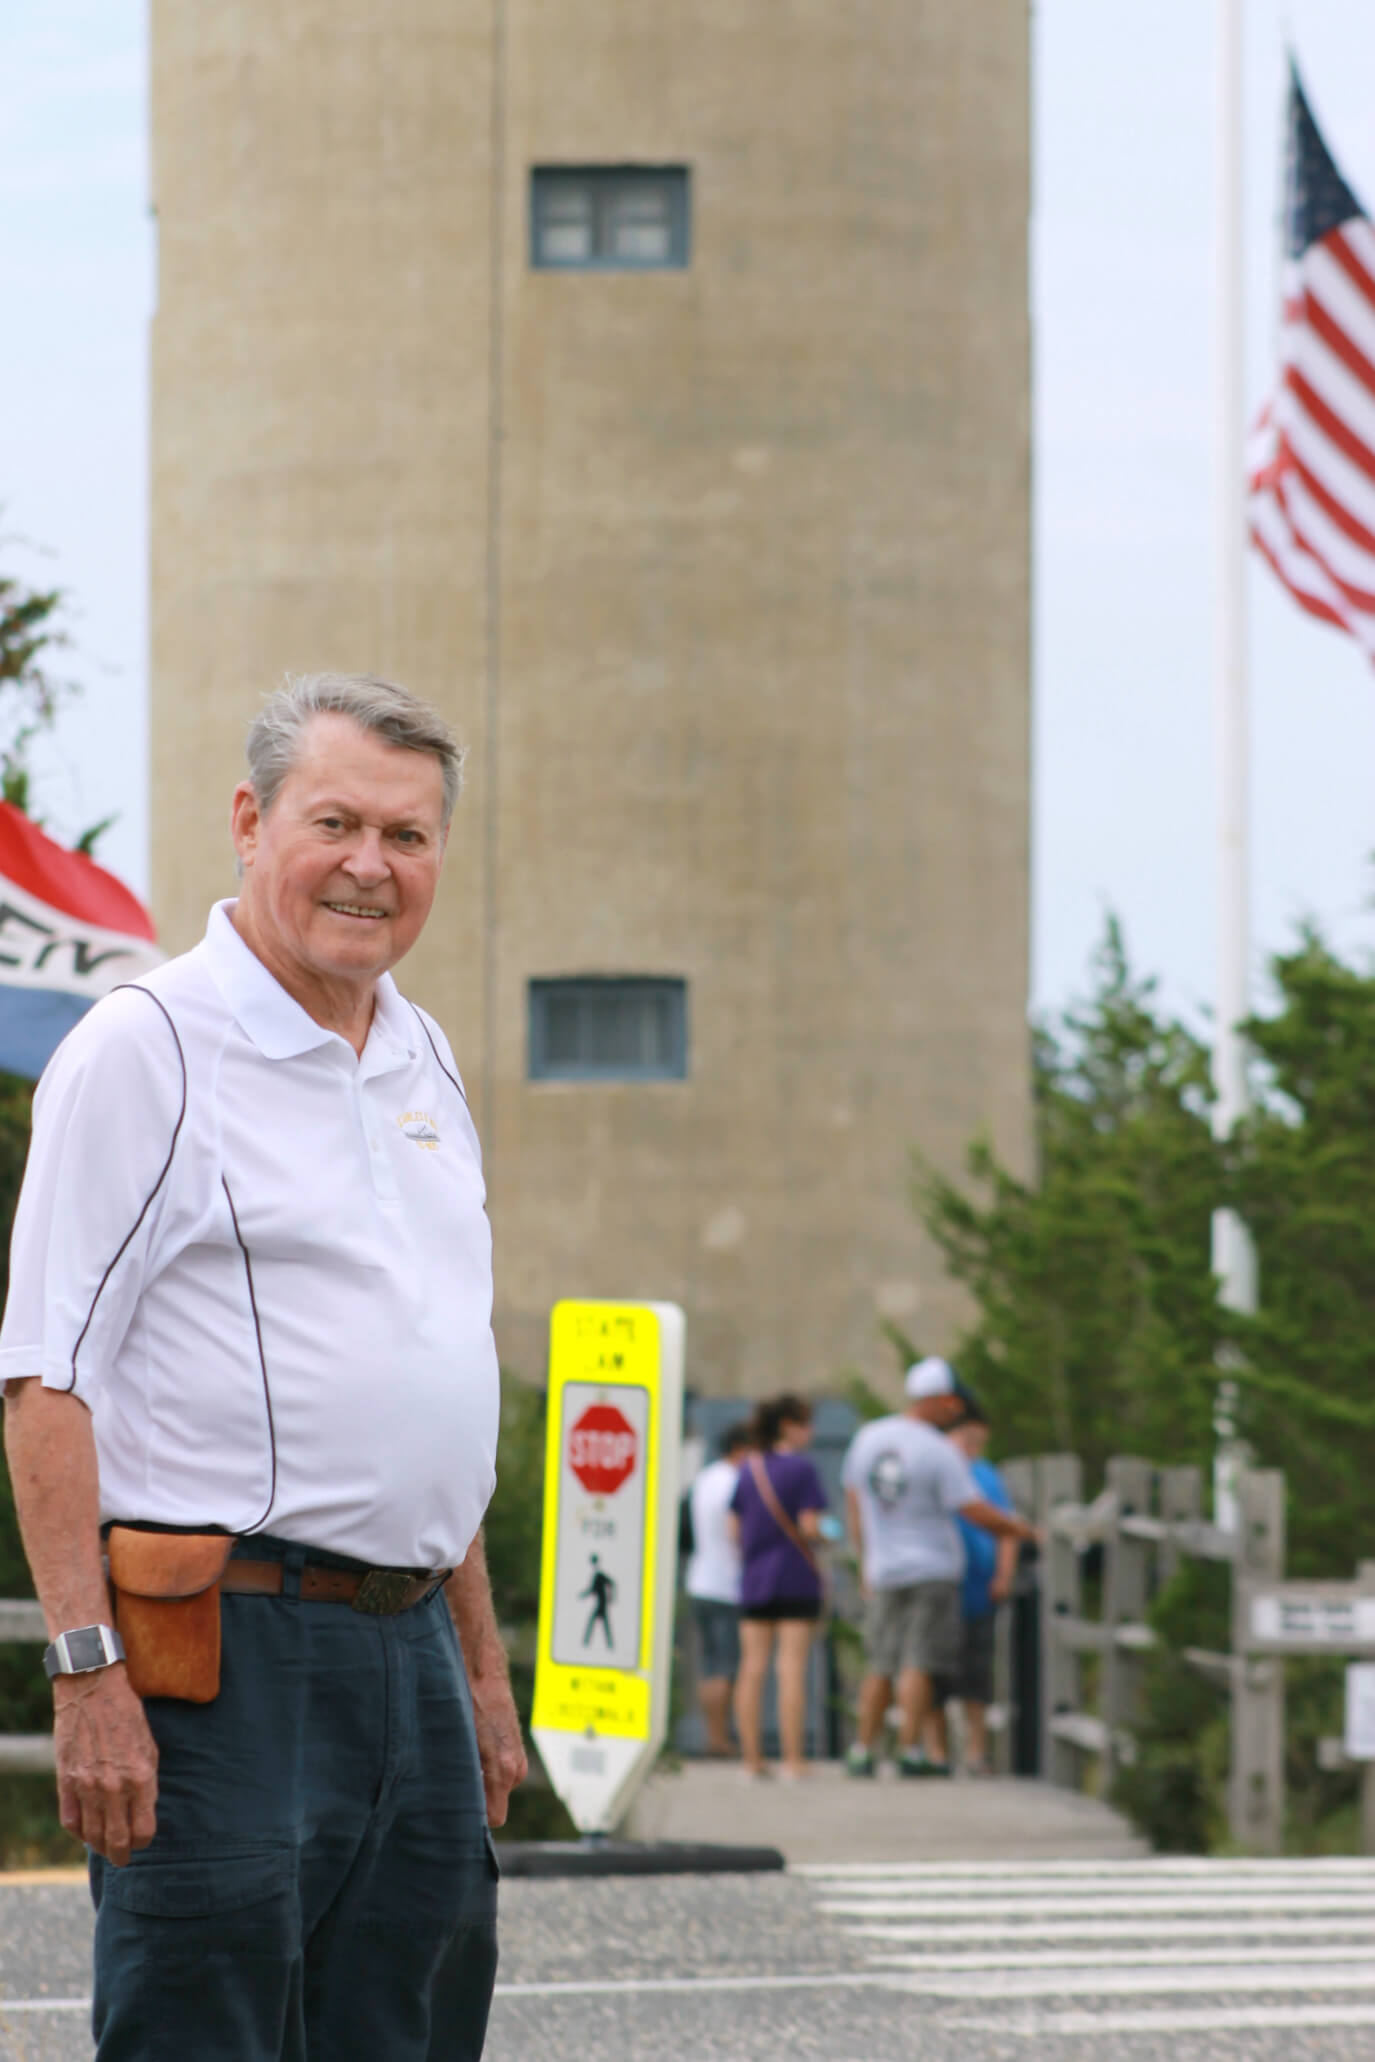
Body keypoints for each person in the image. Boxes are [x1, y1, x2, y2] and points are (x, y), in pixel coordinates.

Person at [0, 673, 526, 2061]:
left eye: (406, 836)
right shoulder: (152, 1045)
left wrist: (479, 1664)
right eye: (335, 820)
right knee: (206, 2034)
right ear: (250, 819)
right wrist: (84, 1671)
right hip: (226, 1654)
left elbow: (432, 1377)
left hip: (410, 1650)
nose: (370, 865)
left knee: (410, 2029)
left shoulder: (427, 1059)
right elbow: (44, 1376)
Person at [841, 1357, 1037, 1778]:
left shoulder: (869, 1438)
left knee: (880, 1661)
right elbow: (971, 1509)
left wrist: (865, 1560)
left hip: (885, 1569)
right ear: (938, 1401)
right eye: (951, 1403)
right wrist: (1019, 1529)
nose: (955, 1412)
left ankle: (862, 1749)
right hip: (931, 1569)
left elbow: (855, 1502)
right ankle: (910, 1750)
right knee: (918, 1661)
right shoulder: (937, 1449)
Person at [729, 1394, 828, 1780]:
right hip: (796, 1577)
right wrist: (825, 1536)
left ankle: (752, 1760)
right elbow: (809, 1525)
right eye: (805, 1423)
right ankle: (793, 1759)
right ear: (788, 1425)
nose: (811, 1432)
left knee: (751, 1667)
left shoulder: (748, 1468)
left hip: (755, 1579)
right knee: (791, 1668)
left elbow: (733, 1528)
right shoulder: (803, 1470)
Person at [945, 1399, 1019, 1775]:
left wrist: (1004, 1575)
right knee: (937, 1671)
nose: (973, 1449)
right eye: (967, 1439)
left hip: (979, 1589)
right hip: (942, 1586)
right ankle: (936, 1752)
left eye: (979, 1442)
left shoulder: (988, 1476)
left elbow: (1007, 1529)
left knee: (978, 1675)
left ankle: (976, 1752)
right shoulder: (937, 1471)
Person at [683, 1421, 751, 1756]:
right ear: (741, 1448)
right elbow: (737, 1531)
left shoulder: (706, 1479)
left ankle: (713, 1734)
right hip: (728, 1584)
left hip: (700, 1580)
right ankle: (721, 1737)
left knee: (710, 1663)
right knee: (728, 1665)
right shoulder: (735, 1482)